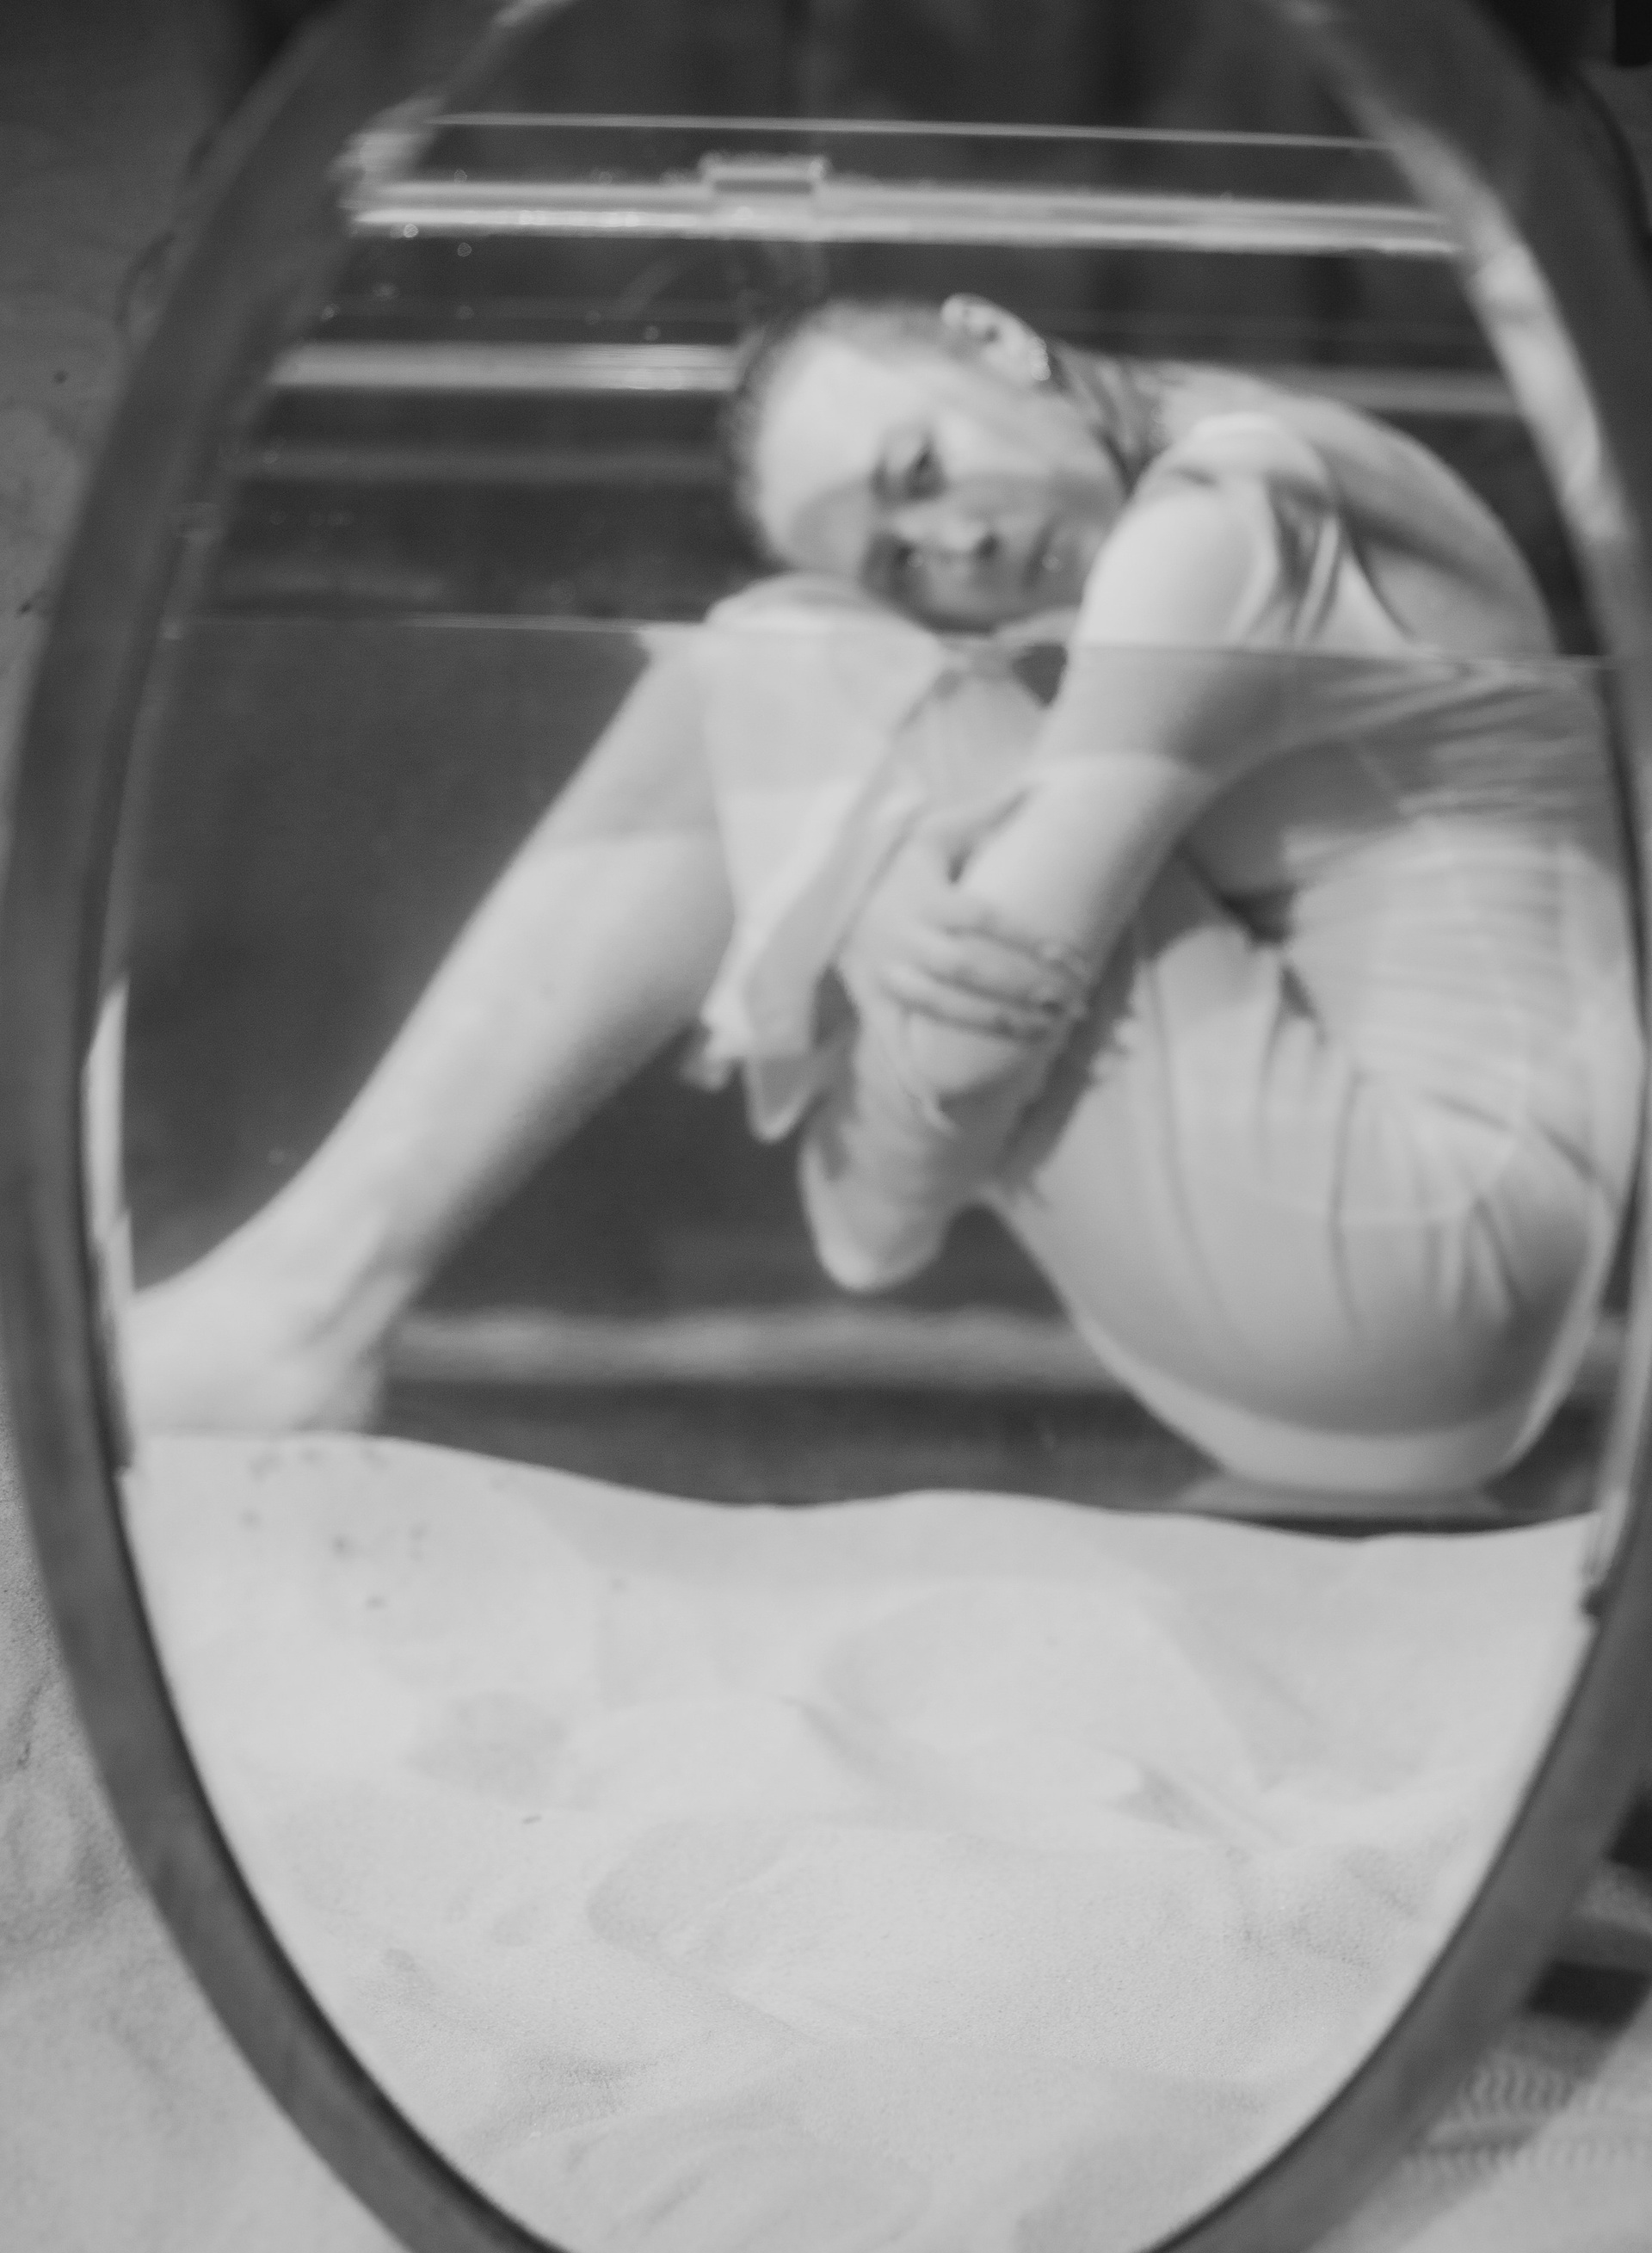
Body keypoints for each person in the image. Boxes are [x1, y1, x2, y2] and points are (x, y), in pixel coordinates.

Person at [126, 294, 1643, 1496]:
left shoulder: (1213, 530)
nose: (954, 542)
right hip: (1450, 1343)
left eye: (920, 470)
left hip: (1416, 1280)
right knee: (794, 667)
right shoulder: (1254, 450)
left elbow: (929, 1130)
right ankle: (303, 1297)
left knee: (772, 652)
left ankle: (307, 1302)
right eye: (901, 561)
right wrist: (857, 877)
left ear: (995, 340)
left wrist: (855, 1171)